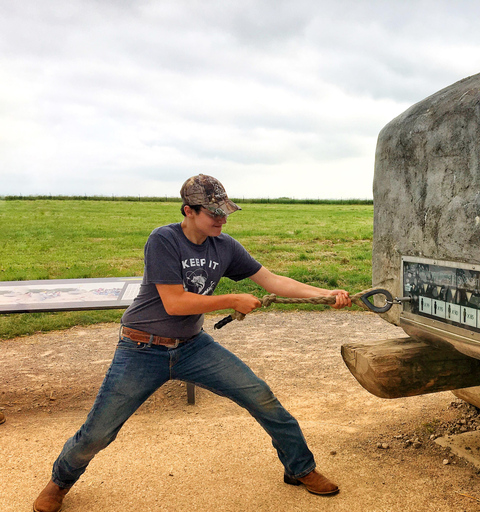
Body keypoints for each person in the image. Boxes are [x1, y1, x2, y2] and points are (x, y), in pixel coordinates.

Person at [33, 174, 351, 512]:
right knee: (99, 432)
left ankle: (299, 468)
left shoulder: (225, 245)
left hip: (192, 346)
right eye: (214, 214)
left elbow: (271, 280)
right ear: (189, 211)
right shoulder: (164, 240)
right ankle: (59, 482)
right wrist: (231, 299)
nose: (222, 219)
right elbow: (174, 303)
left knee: (261, 397)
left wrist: (325, 293)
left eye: (225, 212)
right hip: (141, 348)